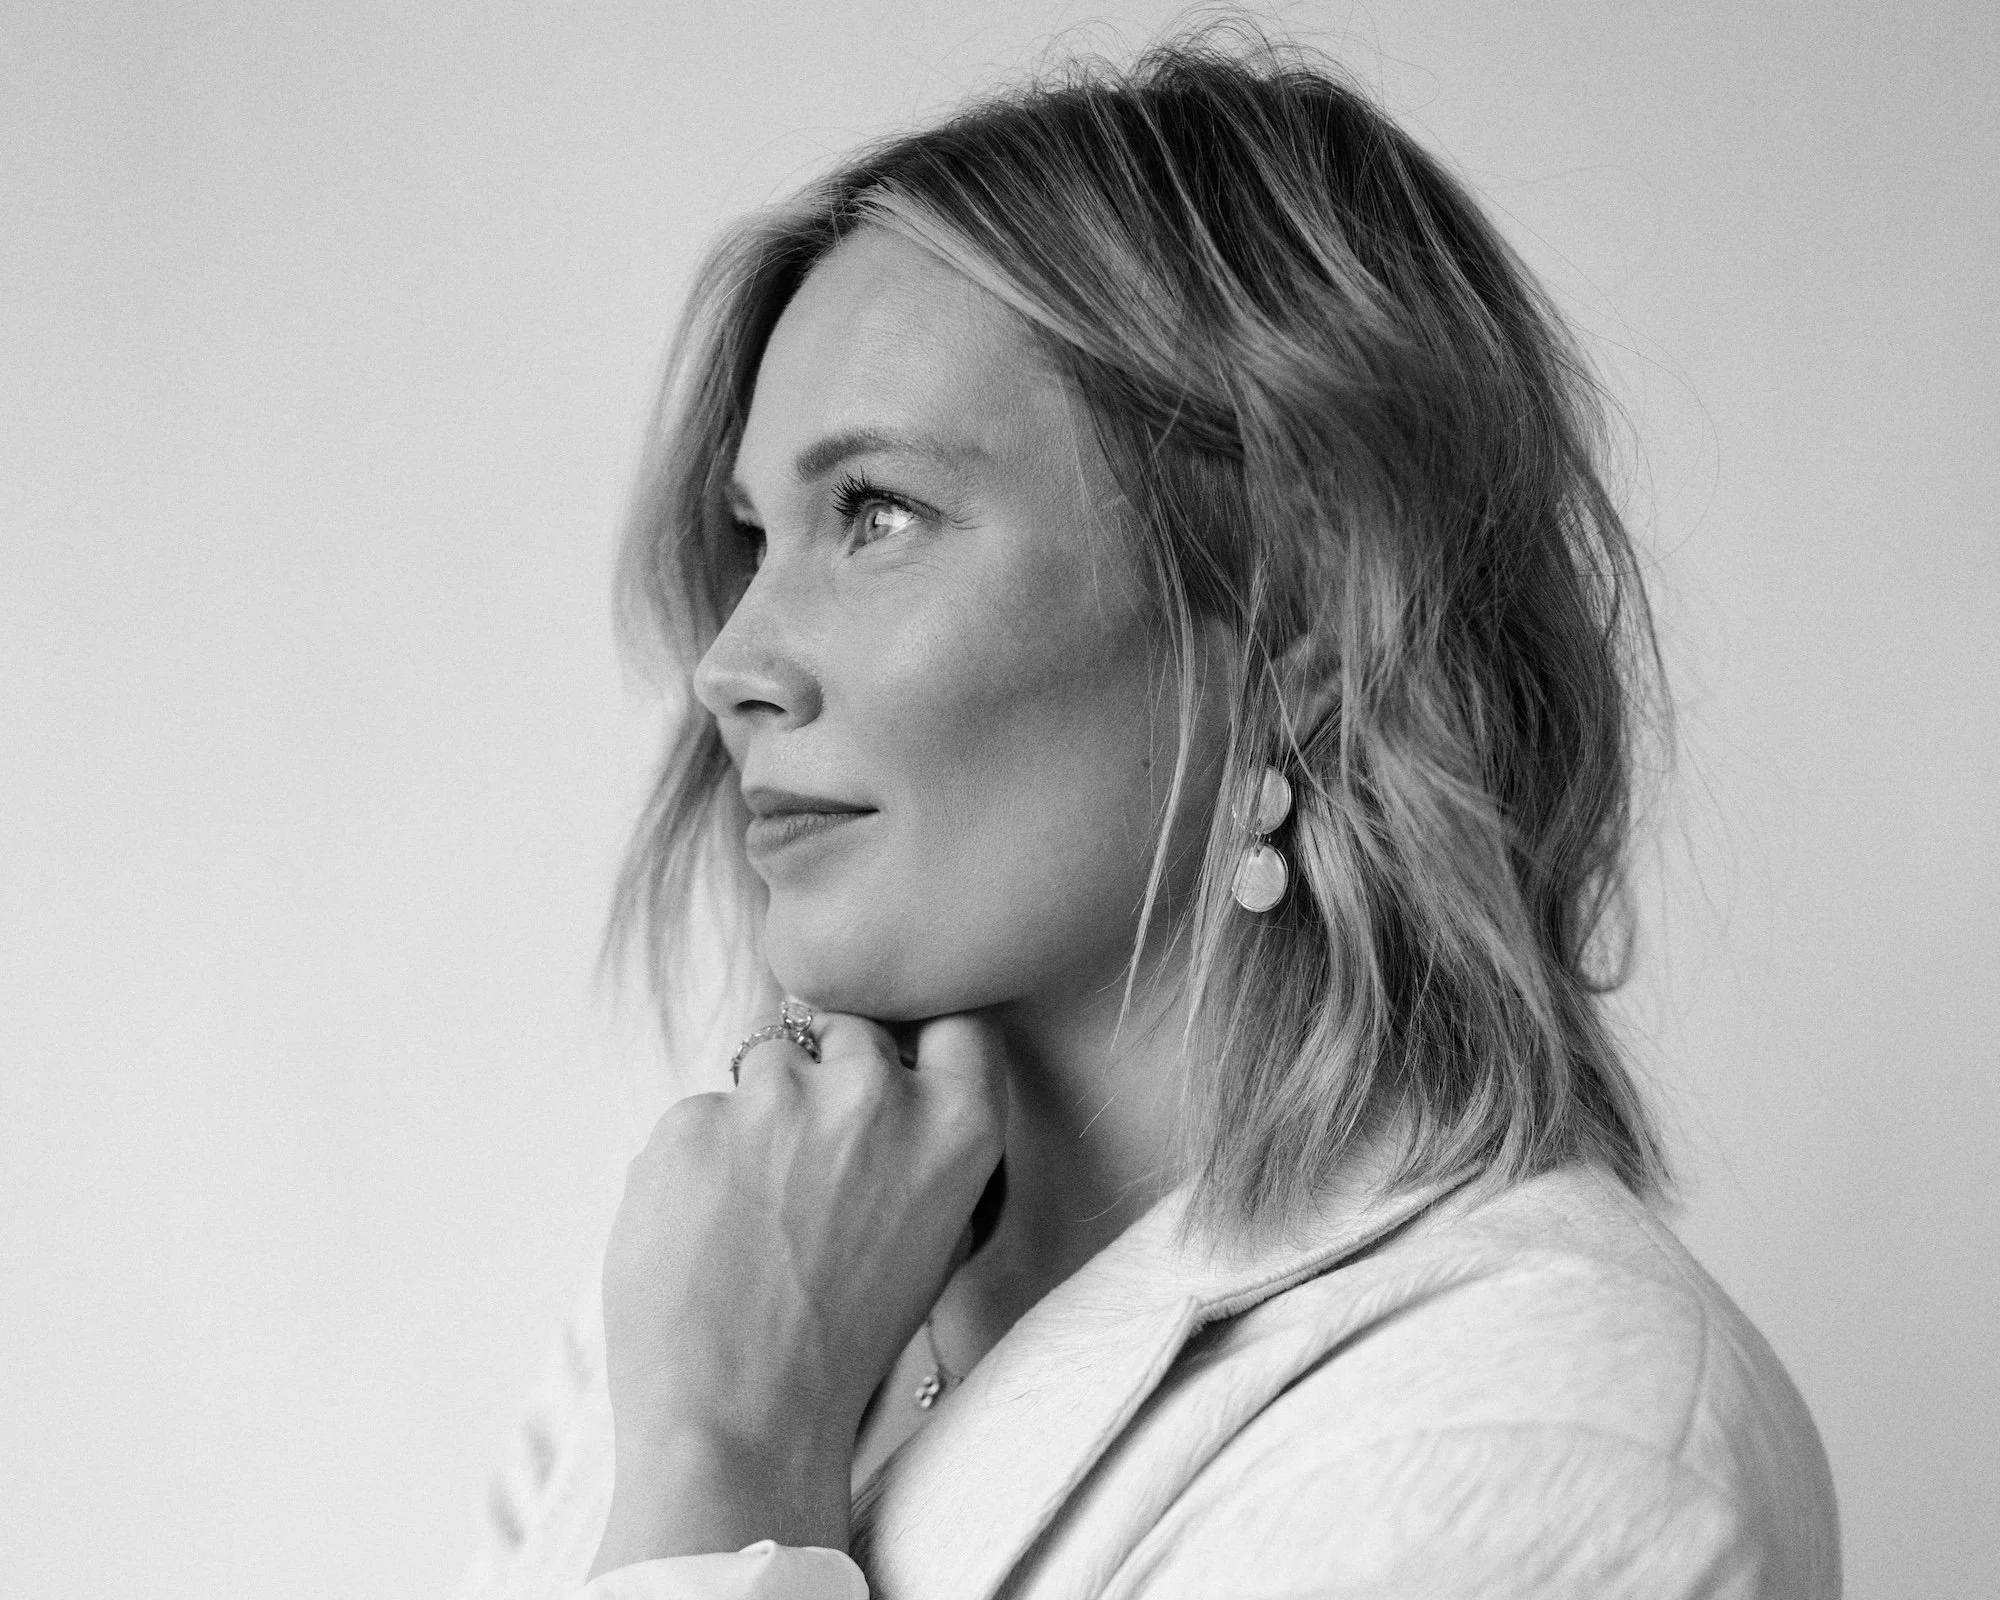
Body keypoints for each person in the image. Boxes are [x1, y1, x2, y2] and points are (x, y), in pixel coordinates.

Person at [456, 28, 1840, 1600]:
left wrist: (732, 1475)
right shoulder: (704, 1297)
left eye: (876, 513)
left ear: (1297, 606)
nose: (729, 666)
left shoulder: (1544, 1431)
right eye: (756, 536)